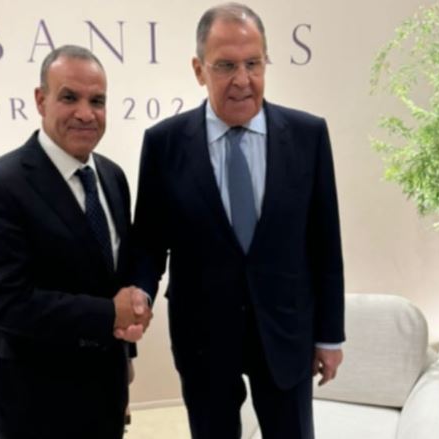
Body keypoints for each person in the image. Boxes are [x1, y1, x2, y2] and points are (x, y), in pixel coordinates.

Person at [131, 3, 344, 438]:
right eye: (226, 65)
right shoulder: (164, 144)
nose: (242, 79)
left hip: (286, 332)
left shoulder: (308, 136)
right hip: (203, 338)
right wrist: (139, 292)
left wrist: (330, 336)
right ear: (199, 70)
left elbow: (325, 245)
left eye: (253, 63)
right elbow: (149, 242)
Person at [0, 45, 151, 439]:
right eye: (69, 98)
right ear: (40, 100)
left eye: (97, 101)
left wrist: (127, 347)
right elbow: (7, 302)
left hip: (105, 390)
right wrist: (110, 315)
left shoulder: (113, 177)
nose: (86, 113)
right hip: (33, 401)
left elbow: (114, 276)